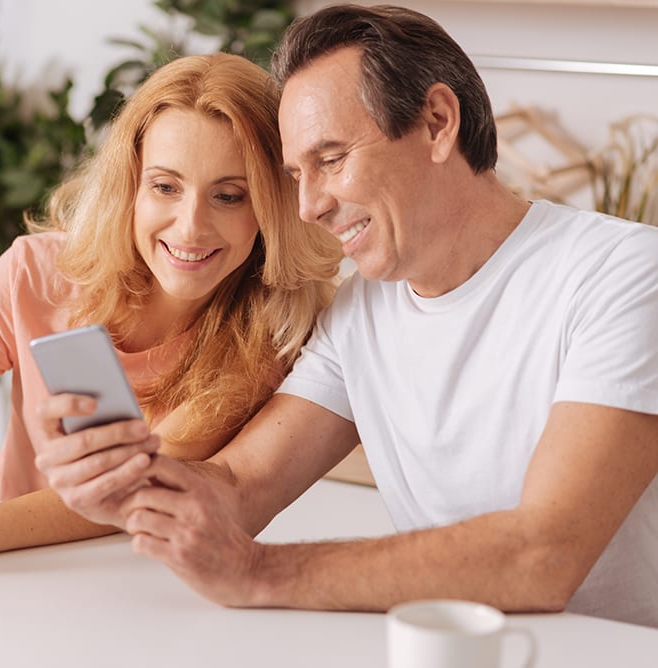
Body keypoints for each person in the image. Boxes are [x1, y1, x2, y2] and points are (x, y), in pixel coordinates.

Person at [35, 4, 658, 627]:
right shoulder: (362, 310)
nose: (307, 206)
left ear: (437, 123)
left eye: (330, 160)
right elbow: (241, 487)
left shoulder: (624, 274)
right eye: (296, 174)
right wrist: (130, 481)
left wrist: (256, 572)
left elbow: (544, 555)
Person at [0, 52, 342, 565]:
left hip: (140, 580)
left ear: (271, 205)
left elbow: (132, 486)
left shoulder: (271, 328)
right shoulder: (34, 274)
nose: (191, 226)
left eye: (229, 196)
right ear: (131, 186)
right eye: (165, 187)